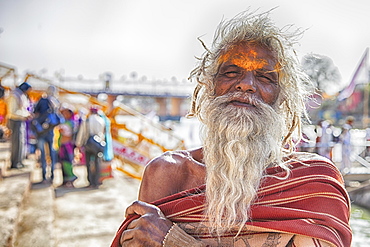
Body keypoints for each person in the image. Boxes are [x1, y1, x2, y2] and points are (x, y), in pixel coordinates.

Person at [111, 9, 352, 247]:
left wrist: (175, 241)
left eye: (265, 77)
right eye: (231, 72)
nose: (246, 85)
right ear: (209, 87)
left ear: (282, 98)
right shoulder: (167, 173)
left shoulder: (313, 184)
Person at [75, 105, 113, 188]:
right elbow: (103, 134)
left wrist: (79, 144)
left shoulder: (87, 120)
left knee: (88, 163)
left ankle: (90, 181)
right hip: (99, 144)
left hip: (89, 144)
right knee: (97, 162)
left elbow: (83, 133)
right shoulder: (101, 120)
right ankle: (97, 181)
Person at [33, 85, 60, 183]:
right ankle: (52, 175)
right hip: (51, 131)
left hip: (41, 131)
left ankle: (44, 176)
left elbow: (35, 113)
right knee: (52, 153)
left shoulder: (43, 100)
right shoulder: (55, 101)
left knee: (43, 153)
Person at [7, 82, 32, 169]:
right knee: (16, 142)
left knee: (21, 142)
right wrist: (25, 115)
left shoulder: (21, 95)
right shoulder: (14, 95)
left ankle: (19, 161)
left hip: (21, 120)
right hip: (15, 120)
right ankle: (15, 162)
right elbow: (13, 111)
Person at [57, 103, 77, 187]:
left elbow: (67, 135)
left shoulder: (70, 124)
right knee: (63, 163)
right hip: (63, 146)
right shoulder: (66, 122)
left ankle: (71, 178)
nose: (64, 114)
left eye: (66, 113)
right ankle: (65, 180)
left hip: (67, 146)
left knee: (67, 163)